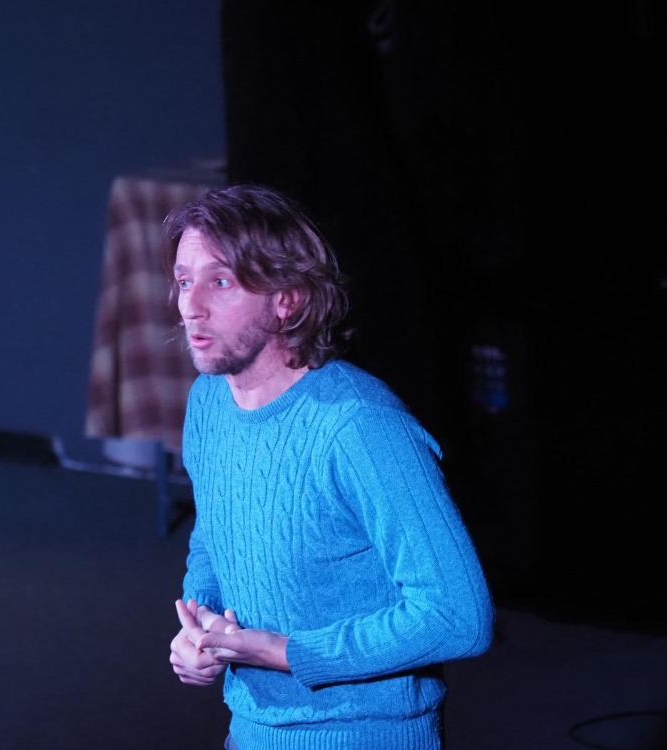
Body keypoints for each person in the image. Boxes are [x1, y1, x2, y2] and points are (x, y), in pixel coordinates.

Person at [164, 184, 494, 750]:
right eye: (184, 280)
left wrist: (289, 653)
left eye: (220, 282)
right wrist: (203, 626)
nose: (190, 305)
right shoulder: (208, 401)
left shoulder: (362, 427)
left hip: (364, 735)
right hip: (251, 729)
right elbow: (214, 537)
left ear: (287, 300)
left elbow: (458, 616)